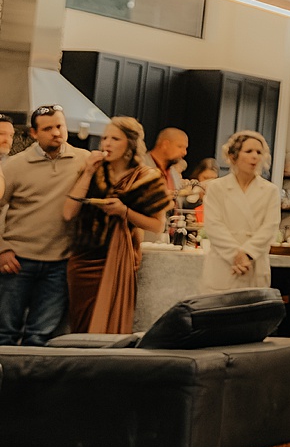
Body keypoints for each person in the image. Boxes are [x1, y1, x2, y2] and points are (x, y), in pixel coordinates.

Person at [63, 116, 171, 333]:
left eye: (115, 139)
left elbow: (157, 226)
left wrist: (125, 212)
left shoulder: (147, 178)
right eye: (104, 138)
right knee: (81, 322)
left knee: (110, 321)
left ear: (130, 144)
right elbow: (68, 212)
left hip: (120, 257)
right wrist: (88, 172)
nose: (107, 144)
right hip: (84, 257)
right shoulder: (94, 171)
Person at [0, 105, 83, 345]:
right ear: (34, 134)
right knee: (4, 334)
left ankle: (30, 384)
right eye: (48, 128)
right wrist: (2, 248)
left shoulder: (84, 161)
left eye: (60, 126)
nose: (56, 132)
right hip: (16, 260)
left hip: (60, 264)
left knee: (41, 337)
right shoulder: (14, 165)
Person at [199, 131, 277, 293]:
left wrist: (247, 254)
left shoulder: (270, 191)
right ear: (233, 156)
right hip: (224, 264)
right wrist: (236, 255)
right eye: (248, 151)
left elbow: (270, 227)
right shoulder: (216, 188)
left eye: (259, 152)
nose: (254, 156)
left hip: (254, 264)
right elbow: (213, 225)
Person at [148, 127, 190, 242]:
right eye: (180, 147)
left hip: (168, 240)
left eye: (185, 148)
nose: (184, 152)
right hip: (145, 237)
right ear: (165, 144)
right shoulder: (141, 165)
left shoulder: (174, 174)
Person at [180, 157, 219, 228]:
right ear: (198, 175)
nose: (209, 182)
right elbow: (184, 206)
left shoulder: (220, 192)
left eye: (213, 178)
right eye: (205, 178)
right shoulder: (190, 187)